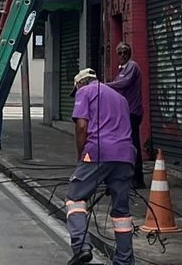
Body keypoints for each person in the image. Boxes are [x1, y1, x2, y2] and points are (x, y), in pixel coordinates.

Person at [65, 68, 136, 265]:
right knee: (121, 213)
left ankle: (81, 247)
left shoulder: (84, 91)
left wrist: (81, 157)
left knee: (75, 198)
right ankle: (124, 260)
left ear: (80, 83)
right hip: (125, 155)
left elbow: (81, 126)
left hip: (98, 151)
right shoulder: (120, 98)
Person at [106, 42, 145, 189]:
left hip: (132, 112)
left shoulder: (132, 66)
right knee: (125, 144)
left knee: (133, 144)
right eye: (120, 52)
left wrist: (104, 85)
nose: (123, 55)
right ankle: (127, 175)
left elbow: (123, 83)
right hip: (124, 112)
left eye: (125, 52)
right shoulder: (121, 69)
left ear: (130, 53)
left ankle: (137, 178)